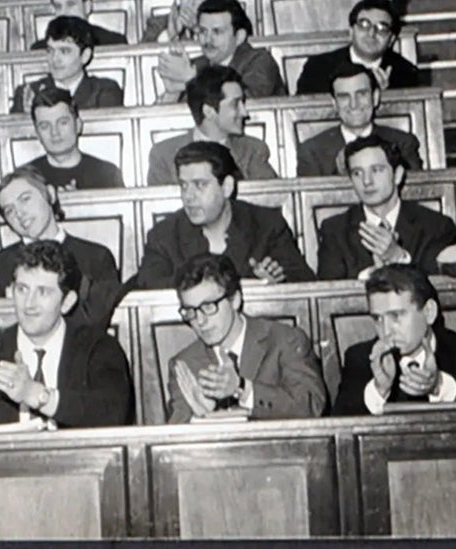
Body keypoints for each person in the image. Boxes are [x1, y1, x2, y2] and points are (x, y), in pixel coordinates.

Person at [0, 240, 133, 433]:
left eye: (43, 292)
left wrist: (36, 394)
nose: (29, 304)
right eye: (22, 289)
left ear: (67, 302)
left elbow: (114, 415)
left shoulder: (99, 349)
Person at [333, 264, 456, 415]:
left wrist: (438, 385)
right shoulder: (361, 358)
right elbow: (338, 429)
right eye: (377, 319)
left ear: (429, 312)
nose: (386, 330)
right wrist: (379, 389)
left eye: (396, 316)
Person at [166, 254, 326, 424]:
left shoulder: (286, 340)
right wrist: (201, 417)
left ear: (235, 300)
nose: (200, 321)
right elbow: (173, 439)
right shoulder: (185, 363)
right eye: (190, 311)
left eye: (208, 307)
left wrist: (243, 388)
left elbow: (311, 406)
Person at [131, 142, 314, 290]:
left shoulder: (267, 225)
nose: (188, 196)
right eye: (184, 186)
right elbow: (148, 287)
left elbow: (305, 283)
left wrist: (276, 285)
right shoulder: (164, 235)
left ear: (227, 187)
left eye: (200, 185)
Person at [0, 170, 122, 330]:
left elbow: (98, 322)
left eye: (25, 199)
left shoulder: (96, 257)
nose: (19, 213)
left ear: (50, 194)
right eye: (9, 211)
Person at [317, 134, 456, 280]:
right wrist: (370, 277)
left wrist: (399, 257)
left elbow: (440, 289)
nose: (366, 181)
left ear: (397, 175)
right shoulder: (334, 230)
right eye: (357, 173)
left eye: (377, 170)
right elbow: (329, 294)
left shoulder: (436, 226)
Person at [147, 67, 278, 185]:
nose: (244, 112)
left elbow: (270, 201)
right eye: (235, 104)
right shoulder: (164, 156)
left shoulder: (252, 151)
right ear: (209, 111)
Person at [297, 63, 424, 178]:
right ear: (334, 104)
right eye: (344, 97)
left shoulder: (403, 144)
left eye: (361, 94)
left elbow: (412, 194)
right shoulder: (312, 151)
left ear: (375, 98)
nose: (354, 104)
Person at [157, 0, 286, 102]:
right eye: (203, 31)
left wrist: (193, 80)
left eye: (217, 32)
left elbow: (241, 104)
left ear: (240, 37)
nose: (208, 40)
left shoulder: (260, 62)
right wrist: (172, 94)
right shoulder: (197, 65)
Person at [295, 0, 424, 94]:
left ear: (391, 40)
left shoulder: (406, 74)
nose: (372, 33)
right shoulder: (318, 67)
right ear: (351, 32)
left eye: (381, 28)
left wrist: (386, 97)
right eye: (364, 25)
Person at [18, 86, 125, 191]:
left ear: (78, 125)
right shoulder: (24, 178)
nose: (54, 132)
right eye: (45, 126)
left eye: (63, 123)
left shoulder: (107, 174)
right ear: (37, 132)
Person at [12, 18, 123, 114]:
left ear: (85, 56)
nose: (55, 59)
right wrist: (27, 118)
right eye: (50, 50)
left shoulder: (104, 91)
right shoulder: (28, 93)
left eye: (64, 51)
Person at [49, 0, 128, 47]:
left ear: (87, 7)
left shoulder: (113, 43)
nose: (63, 12)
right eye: (58, 7)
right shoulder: (40, 49)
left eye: (71, 5)